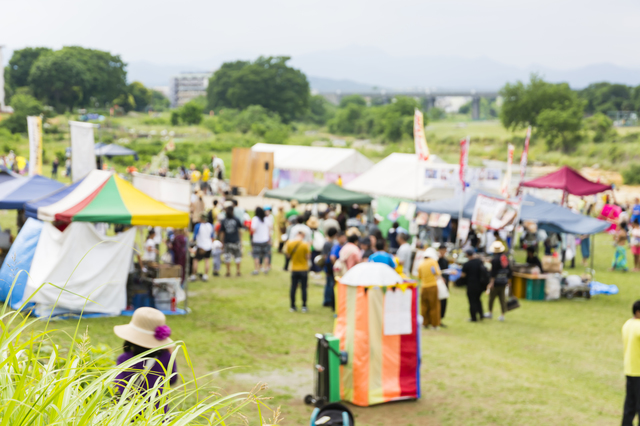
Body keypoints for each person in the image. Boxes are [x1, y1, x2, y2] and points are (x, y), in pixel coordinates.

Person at [113, 307, 177, 410]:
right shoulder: (166, 357)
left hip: (129, 415)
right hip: (158, 415)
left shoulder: (124, 359)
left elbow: (118, 387)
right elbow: (173, 379)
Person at [622, 300, 640, 426]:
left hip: (630, 369)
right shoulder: (638, 326)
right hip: (639, 371)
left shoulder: (627, 324)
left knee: (630, 406)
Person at [485, 241, 512, 321]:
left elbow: (493, 273)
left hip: (496, 282)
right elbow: (509, 271)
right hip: (504, 281)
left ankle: (490, 312)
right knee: (502, 299)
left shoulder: (495, 260)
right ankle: (502, 315)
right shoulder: (505, 258)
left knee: (491, 298)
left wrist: (491, 283)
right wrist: (508, 280)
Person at [285, 230, 311, 313]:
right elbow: (308, 257)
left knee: (293, 287)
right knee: (303, 288)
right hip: (303, 269)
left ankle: (292, 306)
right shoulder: (305, 245)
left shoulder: (290, 243)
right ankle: (304, 306)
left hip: (294, 269)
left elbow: (288, 255)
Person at [418, 247, 441, 329]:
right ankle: (434, 324)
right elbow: (437, 273)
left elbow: (419, 276)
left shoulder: (421, 263)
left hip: (423, 287)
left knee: (424, 306)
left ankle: (424, 323)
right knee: (434, 306)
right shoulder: (433, 262)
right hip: (432, 286)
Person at [460, 248, 486, 322]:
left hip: (471, 285)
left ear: (467, 255)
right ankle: (481, 314)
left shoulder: (467, 264)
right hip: (480, 285)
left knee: (472, 301)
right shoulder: (479, 262)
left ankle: (473, 317)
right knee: (478, 300)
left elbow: (463, 275)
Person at [219, 205, 243, 277]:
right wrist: (241, 241)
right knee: (237, 256)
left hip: (227, 241)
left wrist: (222, 242)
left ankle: (228, 271)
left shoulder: (224, 220)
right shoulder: (236, 219)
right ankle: (238, 271)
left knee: (227, 257)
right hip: (236, 240)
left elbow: (222, 233)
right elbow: (240, 231)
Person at [190, 213, 214, 281]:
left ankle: (193, 275)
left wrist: (192, 241)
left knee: (195, 260)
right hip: (208, 245)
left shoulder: (198, 226)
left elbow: (194, 236)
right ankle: (205, 275)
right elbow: (212, 237)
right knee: (207, 260)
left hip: (201, 245)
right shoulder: (210, 225)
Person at [251, 207, 271, 275]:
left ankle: (256, 270)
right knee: (266, 255)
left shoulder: (255, 219)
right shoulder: (266, 219)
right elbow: (270, 228)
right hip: (265, 239)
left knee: (256, 255)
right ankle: (266, 269)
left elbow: (253, 229)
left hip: (257, 240)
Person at [322, 228, 339, 310]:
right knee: (329, 283)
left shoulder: (330, 243)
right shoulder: (328, 244)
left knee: (329, 283)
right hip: (329, 266)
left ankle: (328, 300)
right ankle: (327, 300)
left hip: (329, 266)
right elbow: (325, 257)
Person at [437, 245, 450, 327]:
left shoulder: (445, 260)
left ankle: (440, 319)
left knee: (443, 302)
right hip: (438, 283)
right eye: (442, 250)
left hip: (445, 284)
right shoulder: (436, 260)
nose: (443, 252)